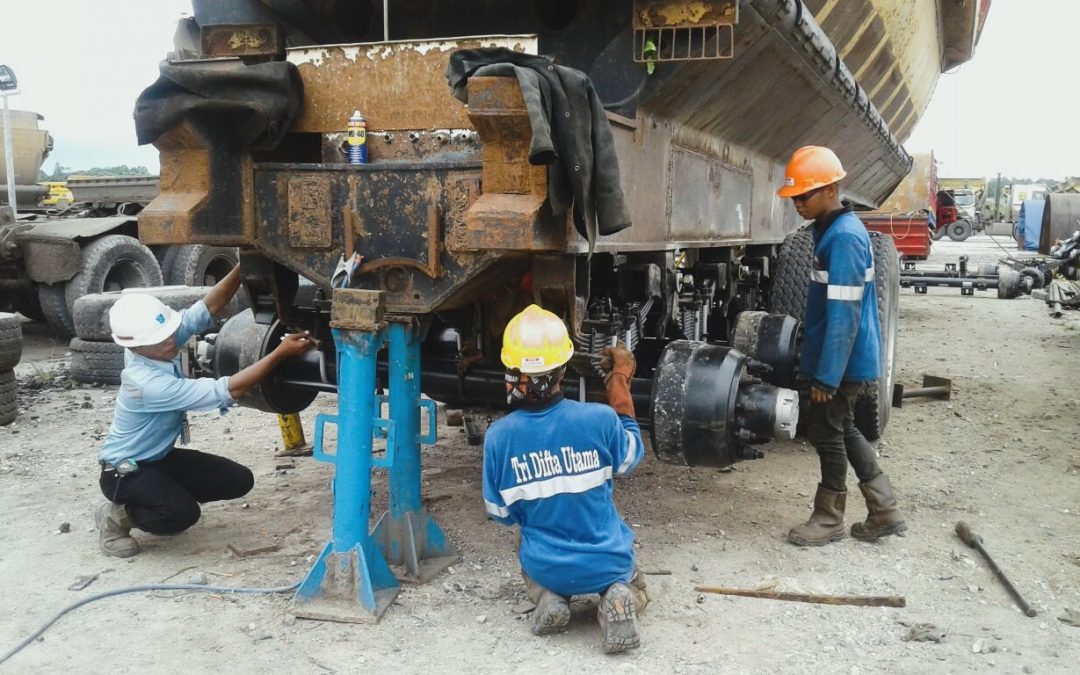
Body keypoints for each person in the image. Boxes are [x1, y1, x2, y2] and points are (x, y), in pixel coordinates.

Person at [95, 266, 313, 558]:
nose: (171, 340)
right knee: (182, 515)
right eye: (162, 339)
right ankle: (116, 516)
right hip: (125, 472)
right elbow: (229, 389)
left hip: (158, 459)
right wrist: (279, 353)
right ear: (137, 347)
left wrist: (243, 266)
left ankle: (163, 495)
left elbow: (208, 307)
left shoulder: (155, 342)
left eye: (170, 332)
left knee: (238, 480)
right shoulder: (146, 384)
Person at [481, 305, 647, 653]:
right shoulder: (600, 420)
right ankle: (618, 595)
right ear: (564, 369)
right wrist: (619, 381)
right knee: (634, 584)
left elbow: (500, 514)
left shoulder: (499, 437)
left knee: (522, 536)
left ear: (511, 370)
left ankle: (549, 597)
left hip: (547, 567)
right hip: (608, 563)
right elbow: (631, 456)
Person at [776, 146, 906, 546]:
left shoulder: (844, 238)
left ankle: (829, 518)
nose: (798, 203)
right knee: (842, 427)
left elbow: (844, 315)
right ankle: (884, 509)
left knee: (827, 431)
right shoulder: (832, 230)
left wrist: (828, 376)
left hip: (844, 361)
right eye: (794, 197)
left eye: (805, 195)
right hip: (843, 357)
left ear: (831, 190)